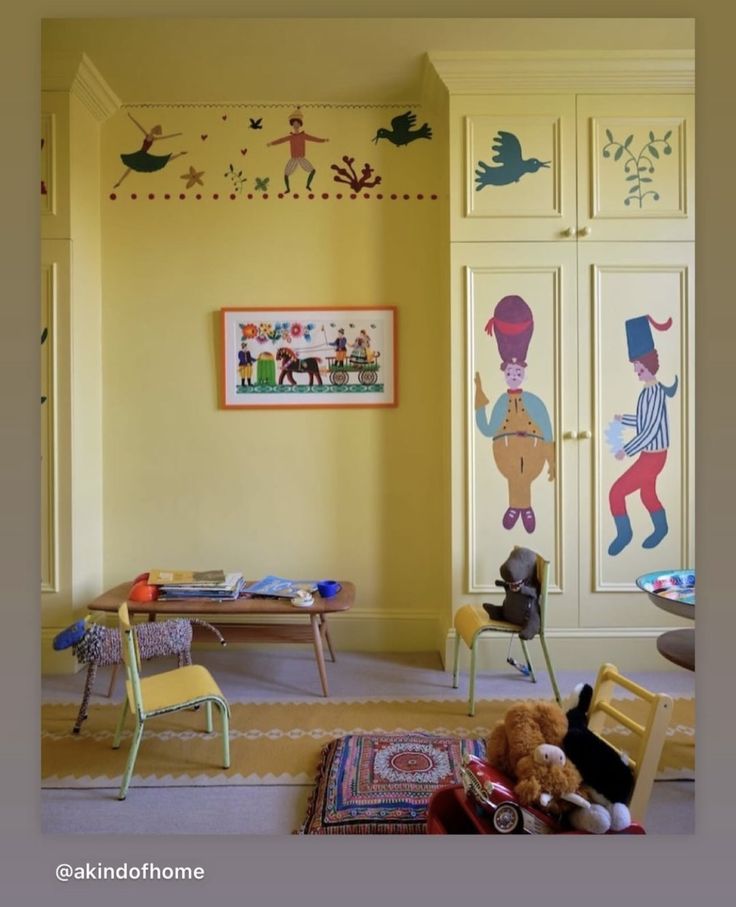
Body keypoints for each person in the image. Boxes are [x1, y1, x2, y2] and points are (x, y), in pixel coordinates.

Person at [475, 295, 555, 534]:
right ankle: (517, 507)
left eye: (517, 371)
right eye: (510, 372)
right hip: (506, 451)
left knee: (525, 475)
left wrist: (552, 458)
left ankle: (523, 507)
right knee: (514, 474)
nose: (513, 375)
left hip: (533, 451)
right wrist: (479, 400)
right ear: (504, 374)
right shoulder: (501, 403)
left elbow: (547, 428)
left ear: (524, 374)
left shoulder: (534, 402)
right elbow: (488, 428)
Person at [608, 315, 678, 556]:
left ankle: (624, 533)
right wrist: (623, 419)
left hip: (653, 456)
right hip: (652, 456)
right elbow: (643, 422)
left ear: (648, 365)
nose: (636, 372)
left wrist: (625, 450)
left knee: (616, 492)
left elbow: (648, 432)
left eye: (639, 367)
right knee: (648, 492)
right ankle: (661, 527)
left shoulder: (655, 393)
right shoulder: (647, 392)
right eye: (636, 368)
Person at [113, 113, 187, 189]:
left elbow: (167, 137)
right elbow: (138, 125)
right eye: (152, 129)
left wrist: (177, 134)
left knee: (163, 160)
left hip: (143, 155)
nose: (151, 130)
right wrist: (131, 117)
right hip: (140, 153)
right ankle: (119, 182)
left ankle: (180, 154)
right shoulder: (147, 135)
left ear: (154, 131)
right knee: (130, 168)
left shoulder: (154, 139)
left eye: (153, 129)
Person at [266, 108, 329, 193]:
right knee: (286, 174)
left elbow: (313, 138)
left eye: (297, 123)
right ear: (292, 125)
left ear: (300, 124)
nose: (296, 125)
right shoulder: (291, 137)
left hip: (302, 158)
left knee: (313, 171)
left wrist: (323, 140)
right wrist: (271, 143)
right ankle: (288, 189)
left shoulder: (303, 135)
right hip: (294, 158)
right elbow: (281, 140)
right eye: (294, 123)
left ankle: (308, 185)